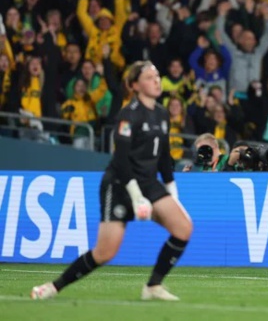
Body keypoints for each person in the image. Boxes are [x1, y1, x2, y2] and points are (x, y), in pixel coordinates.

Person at [31, 61, 193, 301]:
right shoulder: (128, 114)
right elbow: (121, 158)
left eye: (157, 75)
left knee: (183, 228)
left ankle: (152, 287)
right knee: (105, 253)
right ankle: (53, 287)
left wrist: (171, 192)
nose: (156, 80)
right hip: (119, 184)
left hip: (148, 183)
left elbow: (164, 155)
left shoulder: (161, 113)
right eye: (149, 77)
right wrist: (136, 197)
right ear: (135, 85)